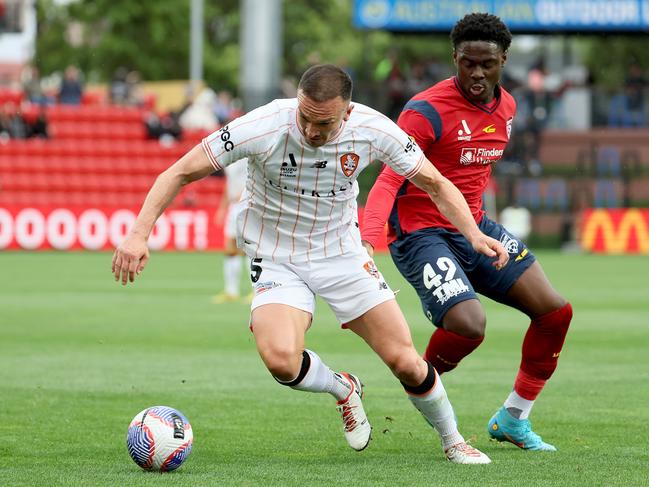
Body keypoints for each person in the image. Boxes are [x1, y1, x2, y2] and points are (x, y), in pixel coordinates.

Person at [112, 64, 509, 464]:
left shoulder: (375, 129)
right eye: (305, 117)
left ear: (347, 112)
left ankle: (453, 439)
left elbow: (437, 183)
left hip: (341, 253)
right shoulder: (264, 125)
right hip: (276, 255)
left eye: (324, 123)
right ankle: (342, 388)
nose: (311, 130)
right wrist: (138, 234)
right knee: (282, 361)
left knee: (406, 361)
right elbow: (179, 171)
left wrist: (473, 235)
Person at [361, 13, 572, 452]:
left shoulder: (508, 108)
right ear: (454, 58)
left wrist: (474, 226)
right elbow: (387, 181)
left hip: (475, 227)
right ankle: (417, 375)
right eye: (467, 63)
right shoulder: (425, 111)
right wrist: (369, 238)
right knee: (469, 325)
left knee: (555, 313)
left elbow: (472, 174)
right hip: (420, 234)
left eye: (487, 64)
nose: (477, 74)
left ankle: (513, 419)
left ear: (503, 60)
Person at [212, 158, 249, 303]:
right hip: (234, 206)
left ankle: (257, 290)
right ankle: (231, 291)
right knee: (230, 248)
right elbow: (229, 184)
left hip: (247, 203)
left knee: (248, 248)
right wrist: (222, 208)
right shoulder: (230, 160)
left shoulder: (247, 157)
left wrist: (248, 192)